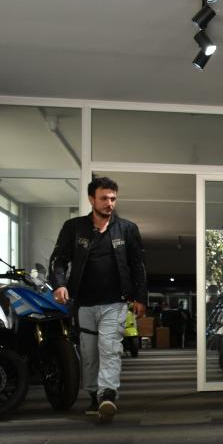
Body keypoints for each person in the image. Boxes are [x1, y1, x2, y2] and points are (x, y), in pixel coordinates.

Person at [50, 176, 147, 424]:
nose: (109, 203)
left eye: (113, 198)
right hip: (83, 303)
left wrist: (139, 297)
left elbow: (138, 265)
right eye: (104, 198)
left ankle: (108, 395)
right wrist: (59, 284)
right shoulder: (74, 228)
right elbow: (59, 260)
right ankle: (95, 395)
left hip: (115, 302)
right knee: (89, 353)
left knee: (110, 348)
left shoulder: (127, 229)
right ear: (92, 199)